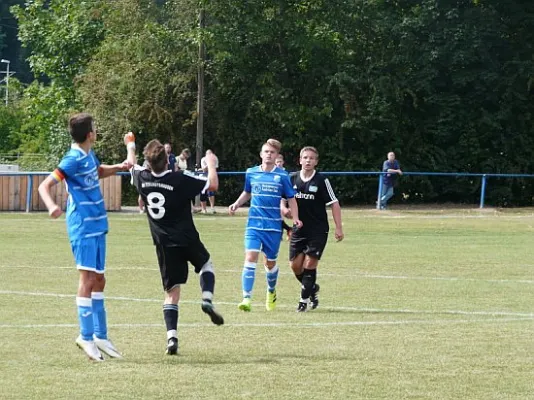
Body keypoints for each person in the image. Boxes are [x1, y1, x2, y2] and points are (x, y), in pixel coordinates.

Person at [124, 134, 224, 356]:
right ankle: (206, 298)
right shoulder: (179, 179)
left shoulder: (142, 178)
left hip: (163, 244)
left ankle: (172, 338)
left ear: (148, 162)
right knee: (206, 265)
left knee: (171, 292)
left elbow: (131, 164)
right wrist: (211, 163)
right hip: (186, 237)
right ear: (168, 158)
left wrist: (130, 144)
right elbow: (213, 184)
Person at [38, 113, 126, 361]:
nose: (97, 131)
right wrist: (51, 207)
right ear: (90, 134)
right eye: (95, 128)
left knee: (99, 279)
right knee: (87, 280)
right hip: (83, 226)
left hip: (98, 224)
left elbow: (96, 171)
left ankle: (101, 336)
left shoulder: (88, 154)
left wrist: (118, 167)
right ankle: (85, 337)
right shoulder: (72, 158)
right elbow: (44, 186)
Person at [229, 138, 302, 312]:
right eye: (266, 152)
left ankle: (271, 291)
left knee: (270, 263)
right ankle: (246, 298)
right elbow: (247, 192)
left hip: (273, 227)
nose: (269, 155)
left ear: (277, 155)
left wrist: (296, 218)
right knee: (250, 257)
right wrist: (237, 204)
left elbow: (291, 198)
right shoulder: (251, 173)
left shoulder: (282, 176)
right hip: (254, 225)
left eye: (272, 152)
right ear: (261, 154)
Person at [281, 146, 344, 312]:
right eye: (305, 157)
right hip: (298, 229)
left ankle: (303, 301)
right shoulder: (291, 178)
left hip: (318, 229)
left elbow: (334, 203)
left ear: (316, 162)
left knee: (309, 263)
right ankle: (312, 288)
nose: (308, 160)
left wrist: (339, 227)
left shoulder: (322, 180)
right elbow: (282, 198)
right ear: (300, 160)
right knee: (295, 266)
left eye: (311, 158)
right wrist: (284, 209)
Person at [274, 154, 292, 240]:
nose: (279, 163)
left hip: (283, 198)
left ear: (283, 162)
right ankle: (288, 230)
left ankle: (285, 233)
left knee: (279, 217)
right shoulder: (273, 172)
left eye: (280, 162)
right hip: (275, 197)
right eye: (277, 162)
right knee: (277, 217)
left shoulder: (286, 174)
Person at [199, 149, 219, 214]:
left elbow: (215, 168)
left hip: (211, 176)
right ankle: (203, 209)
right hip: (204, 176)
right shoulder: (203, 159)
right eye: (208, 154)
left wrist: (210, 165)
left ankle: (212, 208)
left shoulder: (215, 158)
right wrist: (210, 164)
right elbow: (204, 170)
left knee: (211, 192)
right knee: (203, 192)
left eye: (211, 154)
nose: (210, 156)